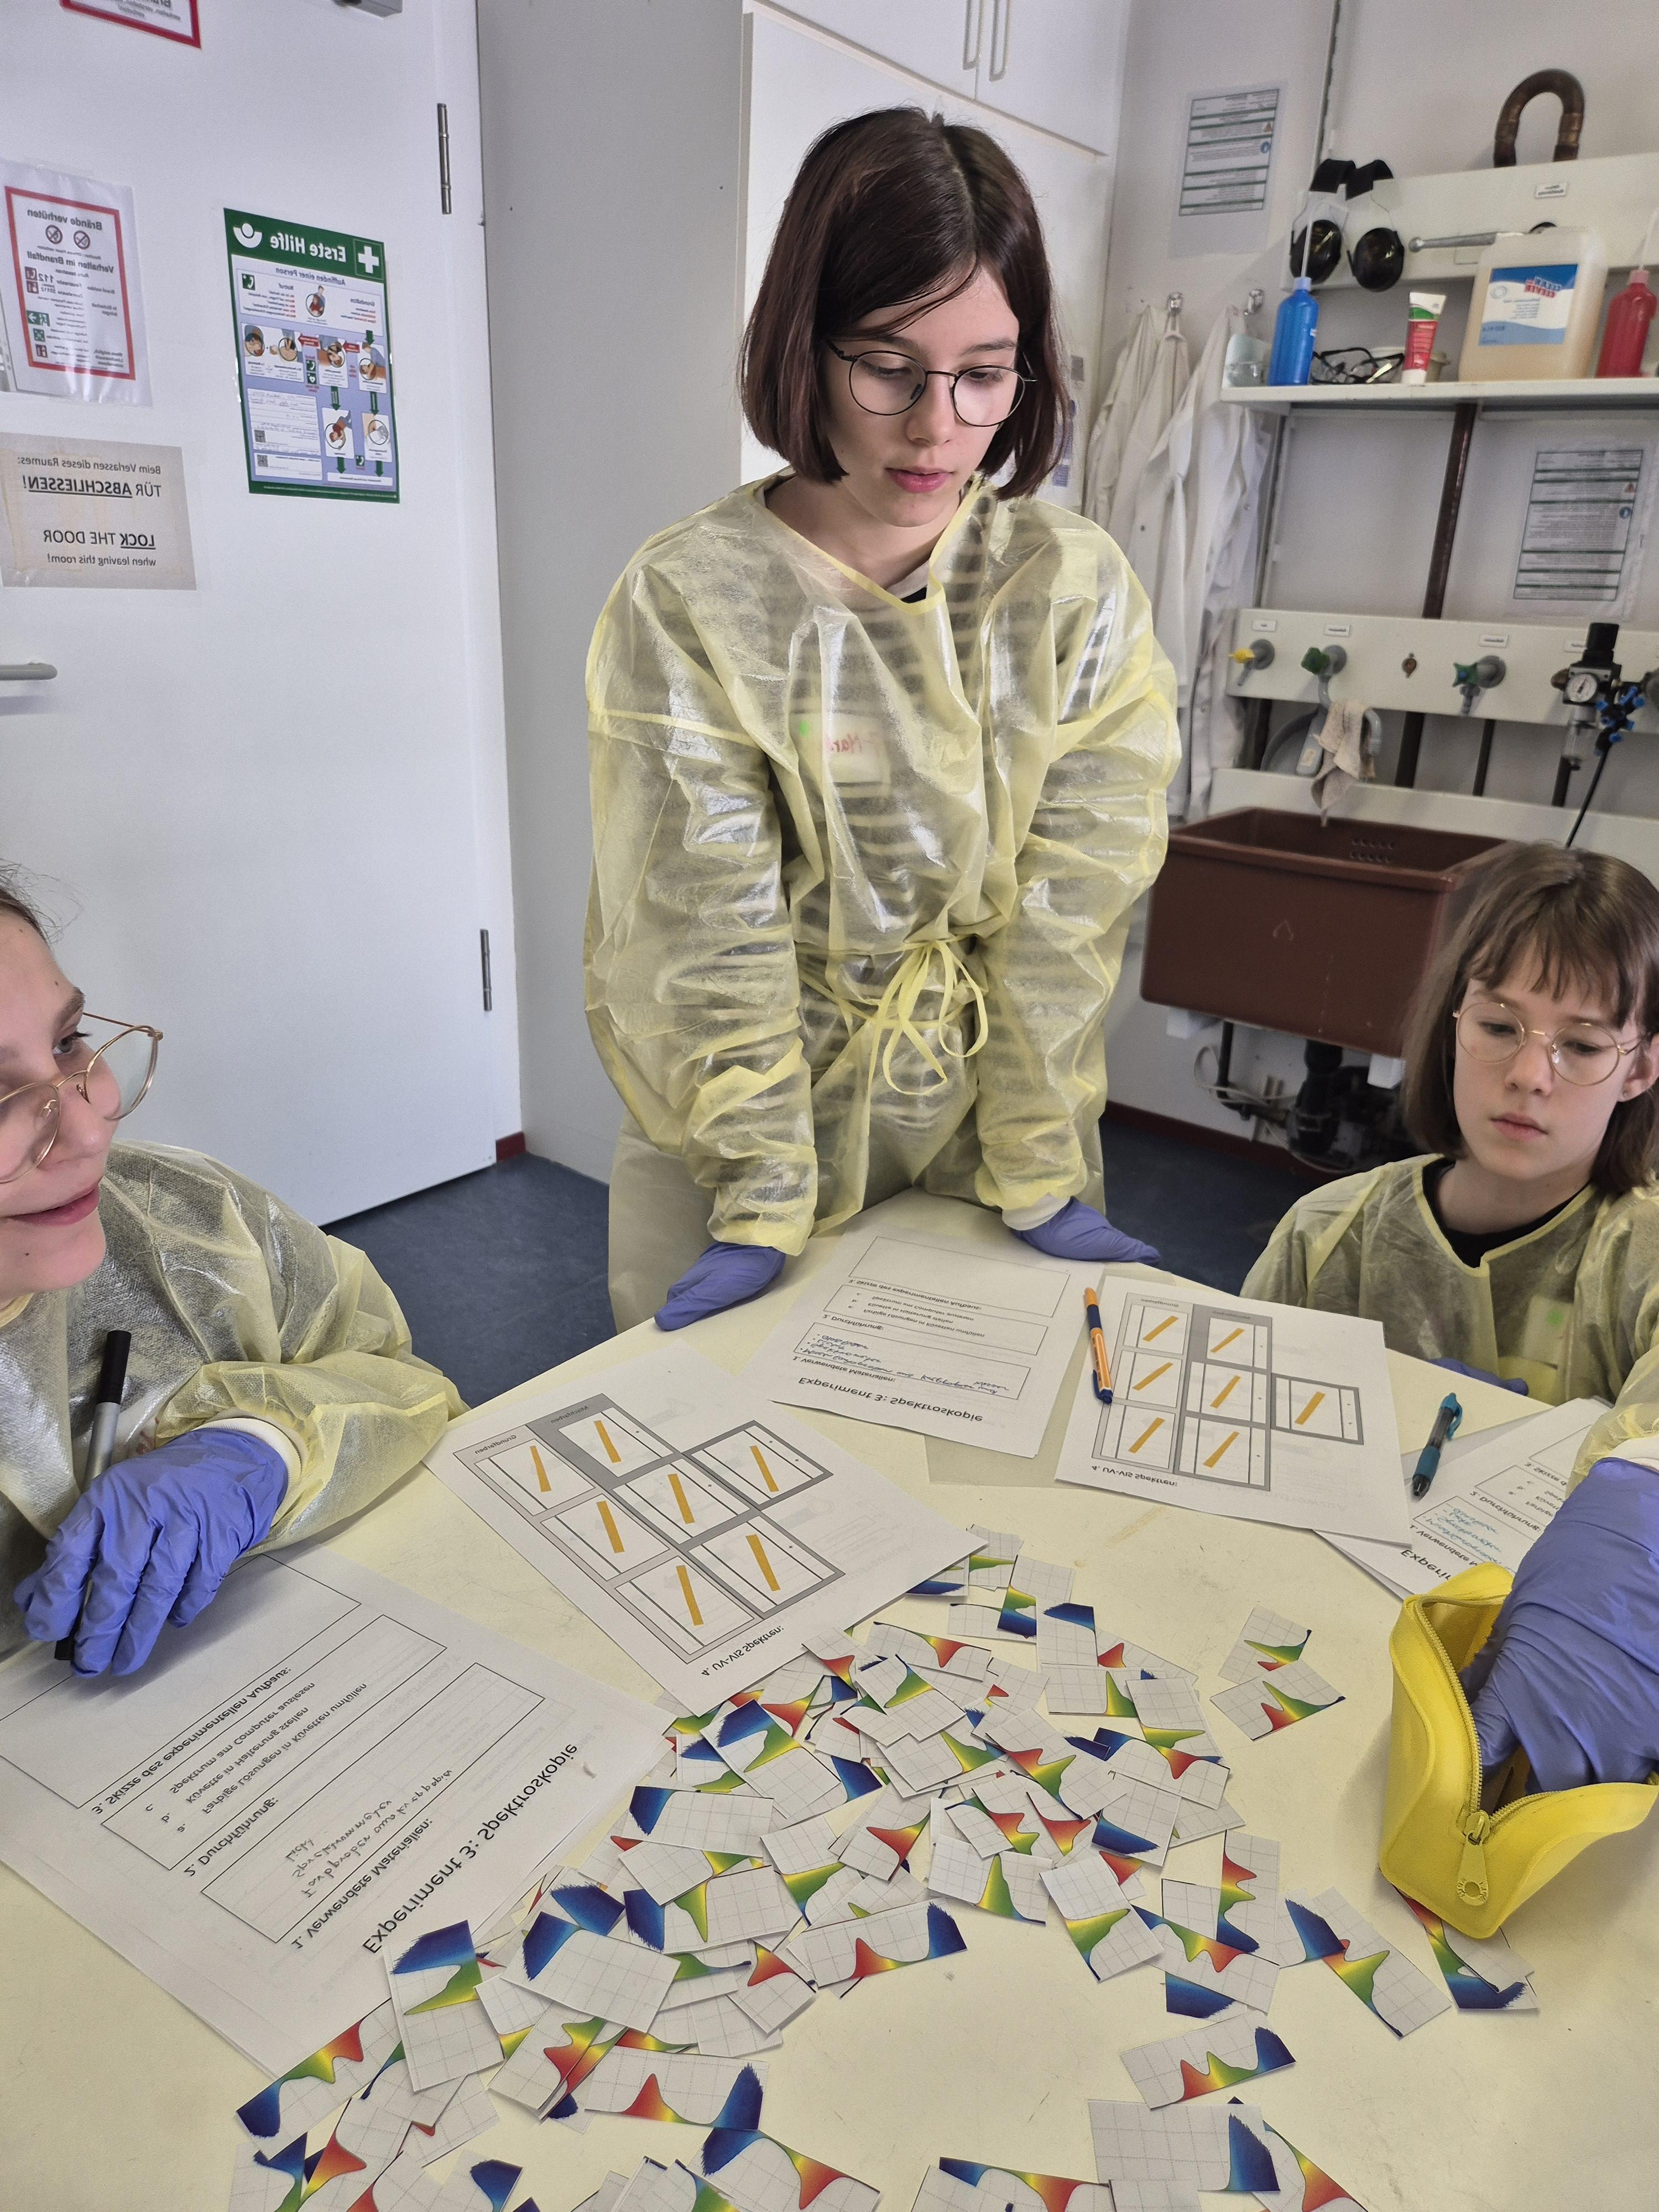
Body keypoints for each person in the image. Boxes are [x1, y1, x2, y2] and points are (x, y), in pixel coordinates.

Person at [585, 108, 1178, 1335]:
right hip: (735, 1128)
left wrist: (1033, 1153)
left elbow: (1073, 905)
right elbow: (705, 923)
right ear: (803, 346)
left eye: (984, 373)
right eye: (889, 367)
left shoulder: (1067, 590)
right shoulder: (697, 599)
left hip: (987, 1133)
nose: (937, 427)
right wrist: (762, 1191)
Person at [1244, 842, 1659, 1791]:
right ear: (1451, 1025)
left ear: (1641, 1068)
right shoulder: (1328, 1234)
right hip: (1312, 1650)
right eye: (1500, 1026)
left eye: (1582, 1045)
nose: (1530, 1075)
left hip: (1515, 1687)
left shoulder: (1641, 1259)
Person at [1, 874, 462, 1677]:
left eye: (70, 1042)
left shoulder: (184, 1216)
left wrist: (260, 1444)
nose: (89, 1131)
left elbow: (396, 1379)